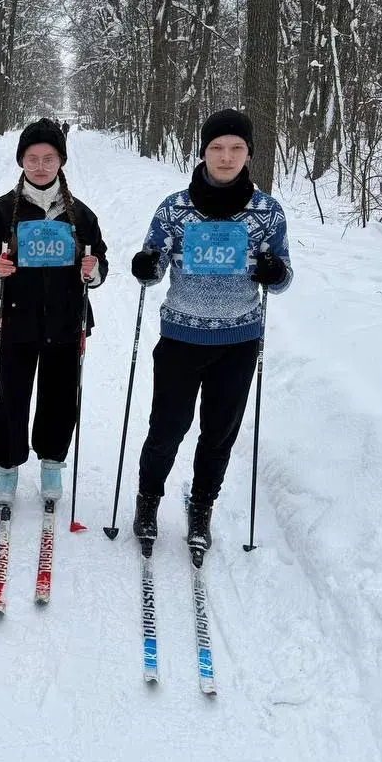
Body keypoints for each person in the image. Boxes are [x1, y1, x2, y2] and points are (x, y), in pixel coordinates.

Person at [129, 109, 292, 559]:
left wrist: (274, 271)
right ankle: (148, 502)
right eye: (217, 148)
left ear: (249, 155)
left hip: (238, 341)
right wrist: (144, 265)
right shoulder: (174, 208)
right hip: (181, 337)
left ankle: (202, 508)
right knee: (167, 428)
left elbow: (281, 278)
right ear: (203, 152)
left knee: (219, 433)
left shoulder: (267, 213)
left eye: (236, 148)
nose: (226, 156)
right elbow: (152, 268)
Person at [0, 118, 108, 505]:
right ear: (22, 161)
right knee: (11, 396)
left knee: (60, 396)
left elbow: (99, 260)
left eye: (49, 158)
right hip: (14, 320)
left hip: (66, 321)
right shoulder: (3, 211)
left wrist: (93, 271)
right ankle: (8, 468)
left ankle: (51, 463)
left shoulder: (79, 214)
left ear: (61, 161)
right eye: (33, 158)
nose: (41, 166)